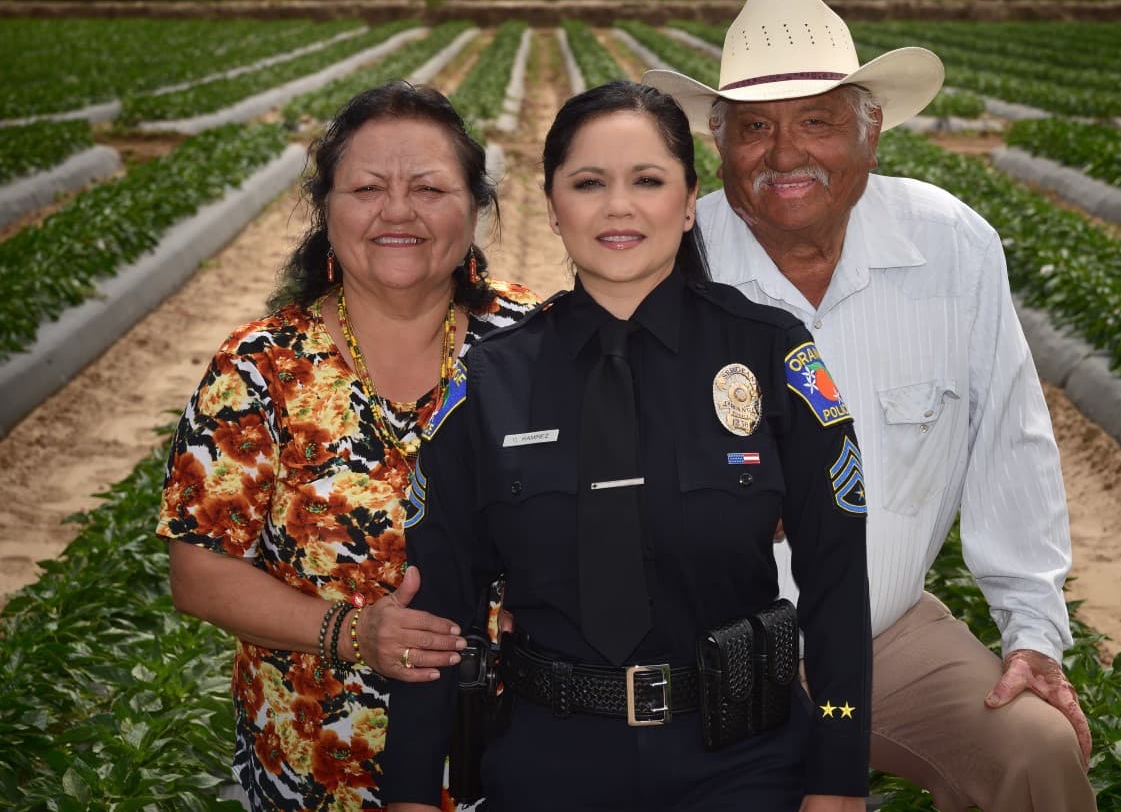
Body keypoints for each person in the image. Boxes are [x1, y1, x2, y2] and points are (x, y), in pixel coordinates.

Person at [643, 0, 1096, 812]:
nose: (785, 155)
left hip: (885, 635)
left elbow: (1010, 440)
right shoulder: (665, 265)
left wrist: (1034, 636)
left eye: (816, 121)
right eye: (755, 128)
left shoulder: (951, 247)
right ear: (719, 144)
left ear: (870, 130)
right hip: (707, 650)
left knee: (1034, 750)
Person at [381, 80, 871, 812]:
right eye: (588, 183)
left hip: (743, 764)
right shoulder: (487, 382)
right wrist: (411, 793)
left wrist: (837, 779)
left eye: (647, 180)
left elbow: (836, 583)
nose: (618, 207)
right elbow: (436, 617)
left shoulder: (771, 354)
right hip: (549, 763)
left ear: (689, 200)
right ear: (553, 206)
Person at [156, 80, 539, 810]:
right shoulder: (260, 368)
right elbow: (198, 570)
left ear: (475, 207)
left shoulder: (535, 341)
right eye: (367, 188)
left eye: (429, 188)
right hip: (316, 764)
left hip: (515, 758)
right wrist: (351, 631)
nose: (398, 211)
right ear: (326, 210)